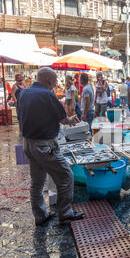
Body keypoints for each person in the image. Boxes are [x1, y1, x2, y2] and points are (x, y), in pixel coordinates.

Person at [18, 67, 84, 226]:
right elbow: (63, 119)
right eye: (54, 80)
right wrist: (71, 120)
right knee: (66, 175)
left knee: (37, 182)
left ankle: (40, 215)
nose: (56, 84)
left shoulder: (23, 93)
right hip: (44, 145)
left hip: (27, 143)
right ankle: (65, 212)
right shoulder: (47, 94)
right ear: (48, 79)